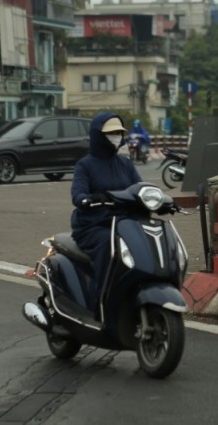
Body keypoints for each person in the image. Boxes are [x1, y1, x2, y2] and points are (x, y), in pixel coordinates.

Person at [71, 112, 142, 304]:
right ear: (97, 135)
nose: (117, 136)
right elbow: (78, 193)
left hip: (123, 223)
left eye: (119, 132)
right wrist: (88, 199)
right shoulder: (85, 165)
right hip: (94, 225)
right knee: (108, 245)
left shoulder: (125, 163)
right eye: (112, 133)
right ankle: (101, 300)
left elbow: (140, 188)